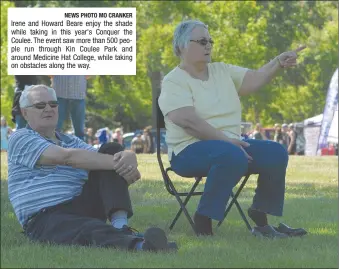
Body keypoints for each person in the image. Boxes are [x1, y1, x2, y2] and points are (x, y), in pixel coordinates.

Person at [158, 20, 307, 238]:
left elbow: (255, 79)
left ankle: (260, 218)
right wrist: (227, 141)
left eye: (210, 41)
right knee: (231, 154)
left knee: (275, 153)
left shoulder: (222, 71)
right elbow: (188, 121)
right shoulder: (173, 81)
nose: (208, 45)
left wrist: (278, 62)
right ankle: (204, 220)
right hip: (188, 151)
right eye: (201, 41)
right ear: (181, 46)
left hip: (230, 147)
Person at [7, 85, 177, 252]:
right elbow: (66, 157)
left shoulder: (70, 140)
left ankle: (121, 226)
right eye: (40, 105)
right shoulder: (20, 138)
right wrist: (119, 164)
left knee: (111, 149)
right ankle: (141, 246)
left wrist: (129, 156)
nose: (48, 109)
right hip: (45, 216)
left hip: (82, 203)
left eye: (53, 104)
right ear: (25, 112)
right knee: (89, 230)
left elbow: (102, 161)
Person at [49, 75, 91, 140]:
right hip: (59, 94)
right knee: (55, 129)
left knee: (79, 132)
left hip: (78, 94)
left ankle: (80, 149)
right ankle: (51, 148)